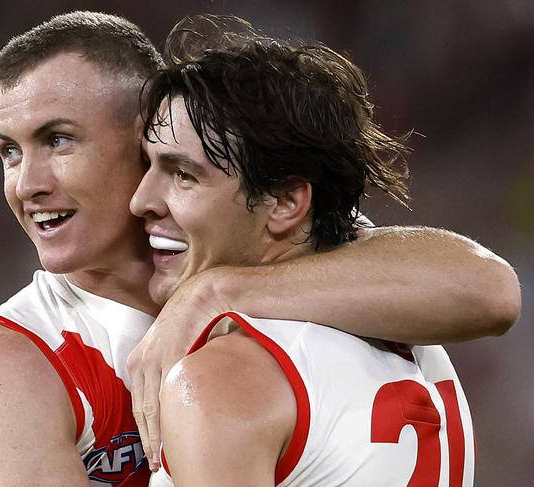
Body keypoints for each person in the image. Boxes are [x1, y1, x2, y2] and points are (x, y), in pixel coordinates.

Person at [0, 11, 520, 487]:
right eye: (8, 152)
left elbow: (488, 288)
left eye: (59, 140)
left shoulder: (274, 258)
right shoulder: (11, 366)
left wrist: (215, 293)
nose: (26, 183)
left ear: (148, 134)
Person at [131, 16, 478, 486]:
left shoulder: (219, 382)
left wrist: (213, 292)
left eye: (183, 174)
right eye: (147, 165)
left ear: (287, 202)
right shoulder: (401, 316)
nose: (141, 201)